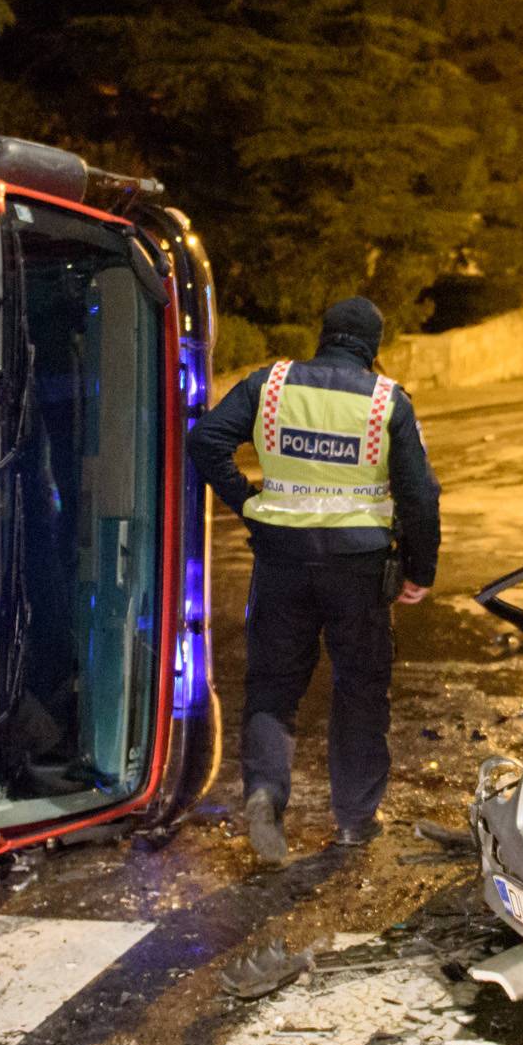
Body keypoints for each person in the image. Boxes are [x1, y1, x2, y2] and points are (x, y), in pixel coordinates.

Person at [189, 296, 441, 864]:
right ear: (373, 348)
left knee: (273, 684)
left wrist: (247, 501)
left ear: (323, 335)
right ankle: (354, 821)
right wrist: (420, 569)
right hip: (359, 568)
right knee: (358, 689)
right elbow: (420, 495)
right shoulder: (387, 401)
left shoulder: (270, 385)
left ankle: (263, 792)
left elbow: (205, 440)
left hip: (281, 558)